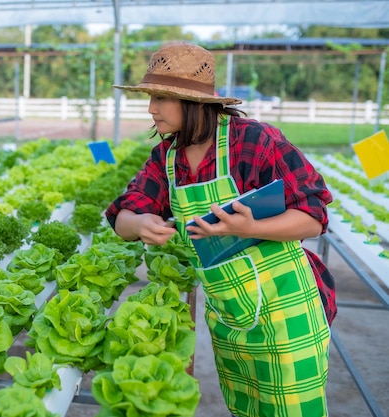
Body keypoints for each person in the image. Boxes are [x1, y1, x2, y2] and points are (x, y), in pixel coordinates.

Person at [105, 41, 336, 417]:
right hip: (230, 317)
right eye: (150, 97)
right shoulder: (167, 158)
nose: (151, 109)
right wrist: (140, 223)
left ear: (193, 102)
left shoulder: (255, 140)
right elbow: (122, 214)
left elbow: (312, 216)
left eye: (161, 98)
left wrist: (253, 227)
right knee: (244, 410)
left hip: (287, 310)